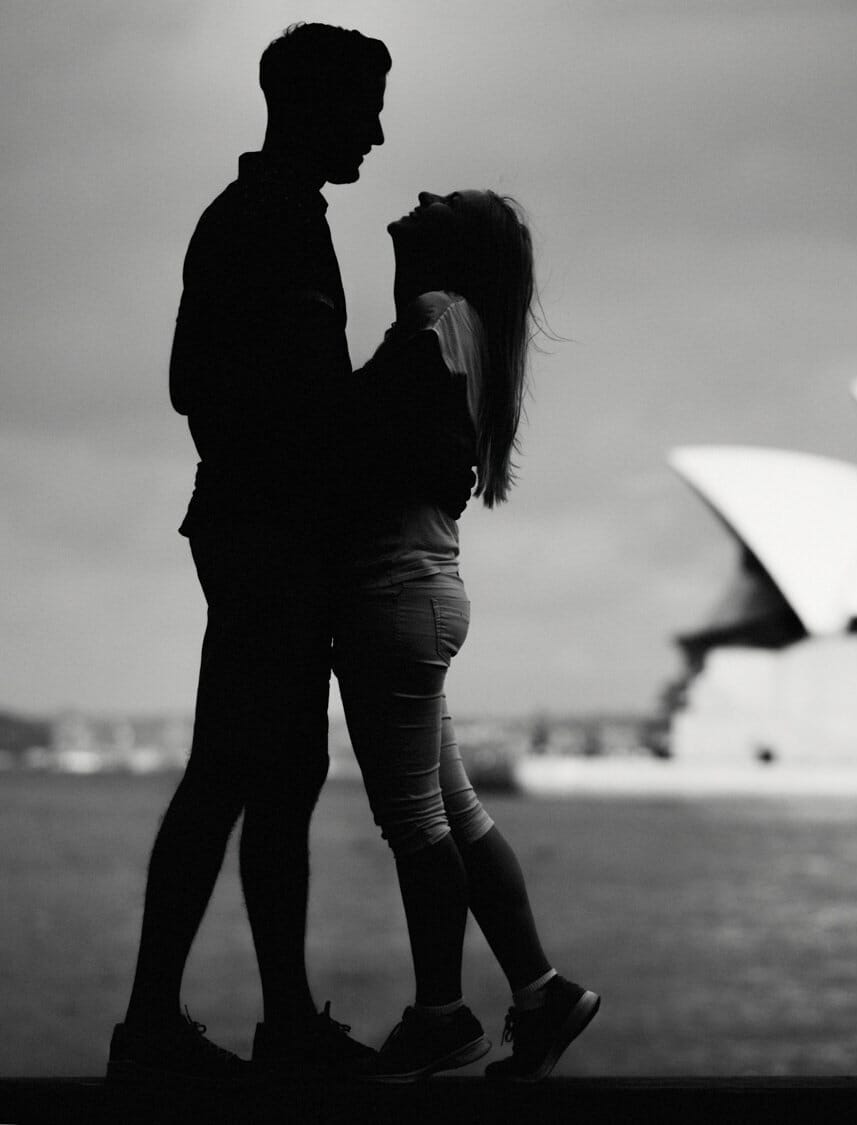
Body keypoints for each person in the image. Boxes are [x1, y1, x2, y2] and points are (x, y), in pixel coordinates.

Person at [108, 24, 467, 1085]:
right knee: (236, 770)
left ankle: (257, 1021)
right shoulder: (264, 221)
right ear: (310, 104)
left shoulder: (263, 216)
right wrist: (388, 391)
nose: (378, 130)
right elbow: (250, 394)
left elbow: (199, 379)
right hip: (267, 535)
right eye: (365, 106)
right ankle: (164, 1027)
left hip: (259, 528)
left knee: (276, 771)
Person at [330, 189, 600, 1082]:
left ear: (455, 247)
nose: (418, 197)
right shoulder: (465, 326)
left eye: (439, 202)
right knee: (456, 812)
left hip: (392, 594)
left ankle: (441, 1014)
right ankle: (541, 992)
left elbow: (392, 440)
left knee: (415, 822)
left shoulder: (436, 320)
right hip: (425, 590)